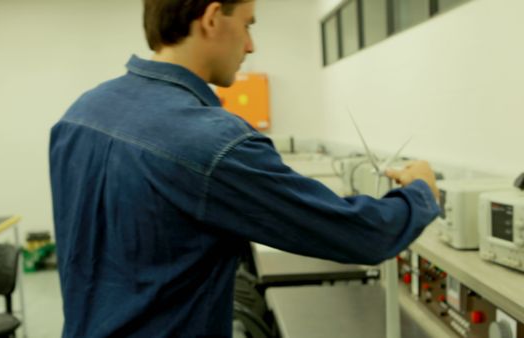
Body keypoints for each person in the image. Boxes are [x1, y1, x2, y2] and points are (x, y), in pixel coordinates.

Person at [48, 0, 440, 337]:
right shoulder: (212, 142)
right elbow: (361, 237)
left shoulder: (79, 116)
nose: (251, 45)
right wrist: (420, 193)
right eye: (248, 24)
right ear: (213, 17)